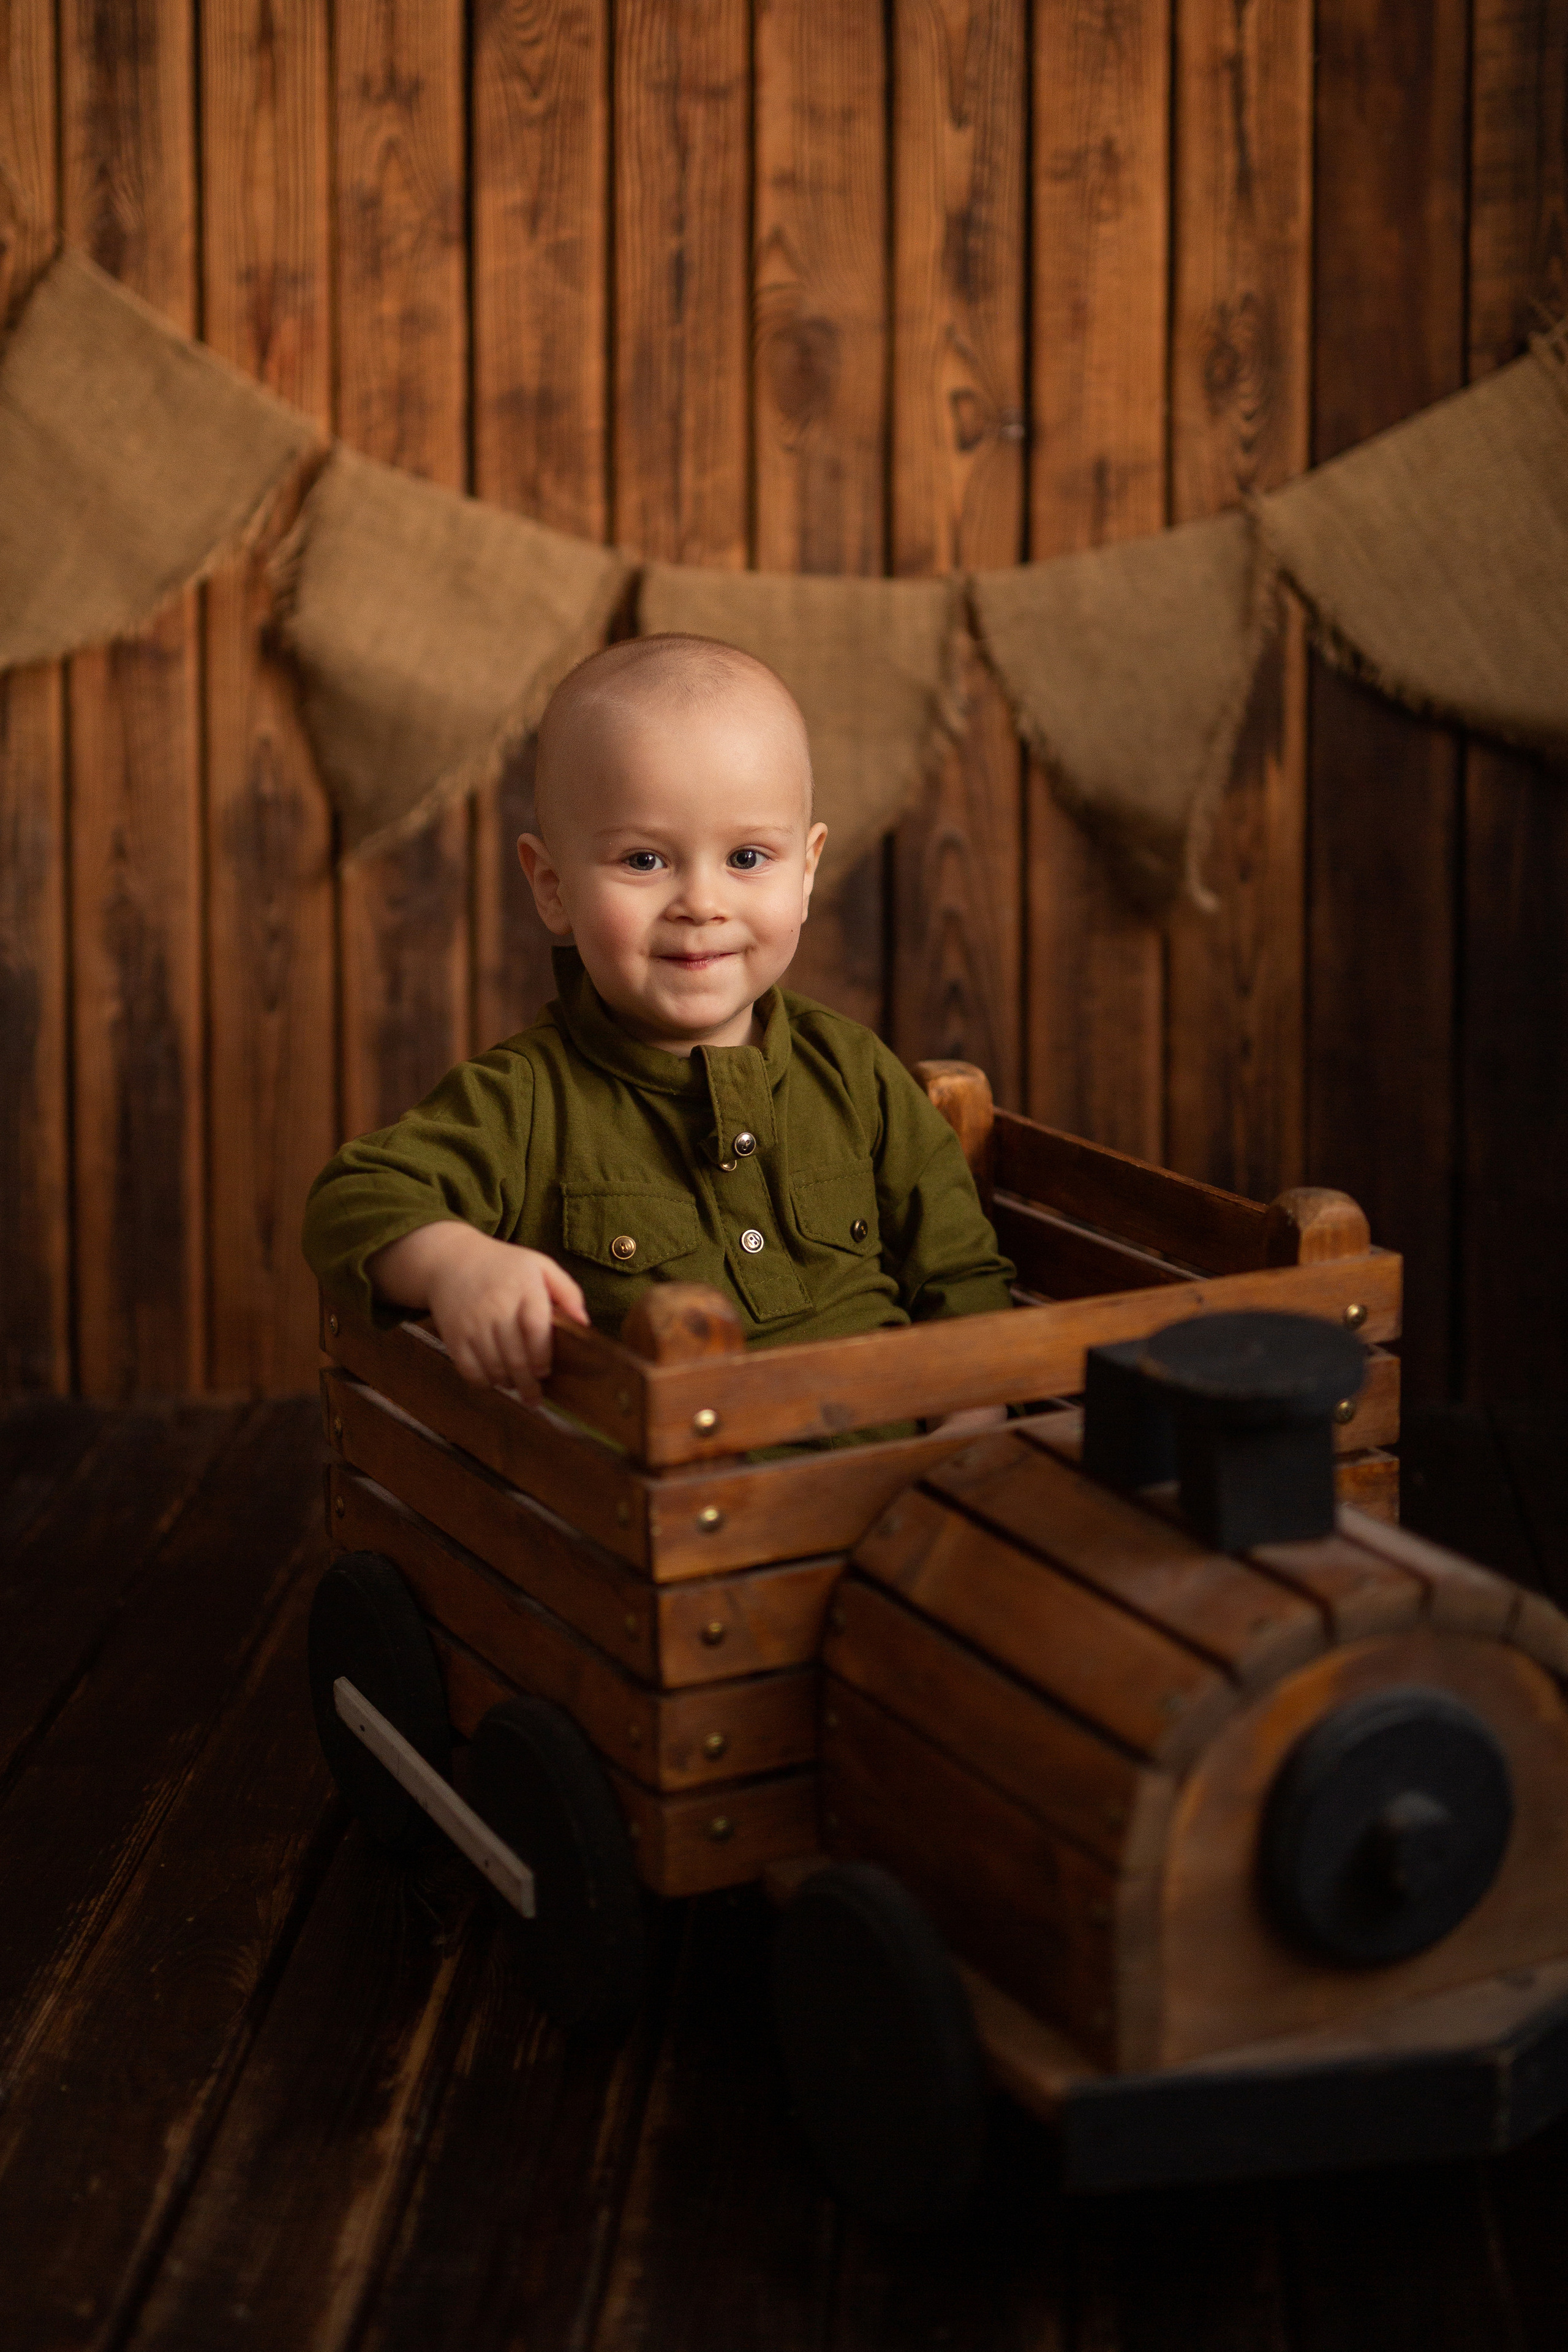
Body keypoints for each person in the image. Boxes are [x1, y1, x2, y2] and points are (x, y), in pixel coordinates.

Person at [303, 635, 1014, 1425]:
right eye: (645, 861)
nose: (701, 903)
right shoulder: (526, 1102)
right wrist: (457, 1264)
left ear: (807, 871)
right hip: (670, 1489)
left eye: (748, 857)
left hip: (896, 1466)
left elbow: (960, 1273)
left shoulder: (855, 1075)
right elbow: (352, 1197)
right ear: (553, 888)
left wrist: (970, 1429)